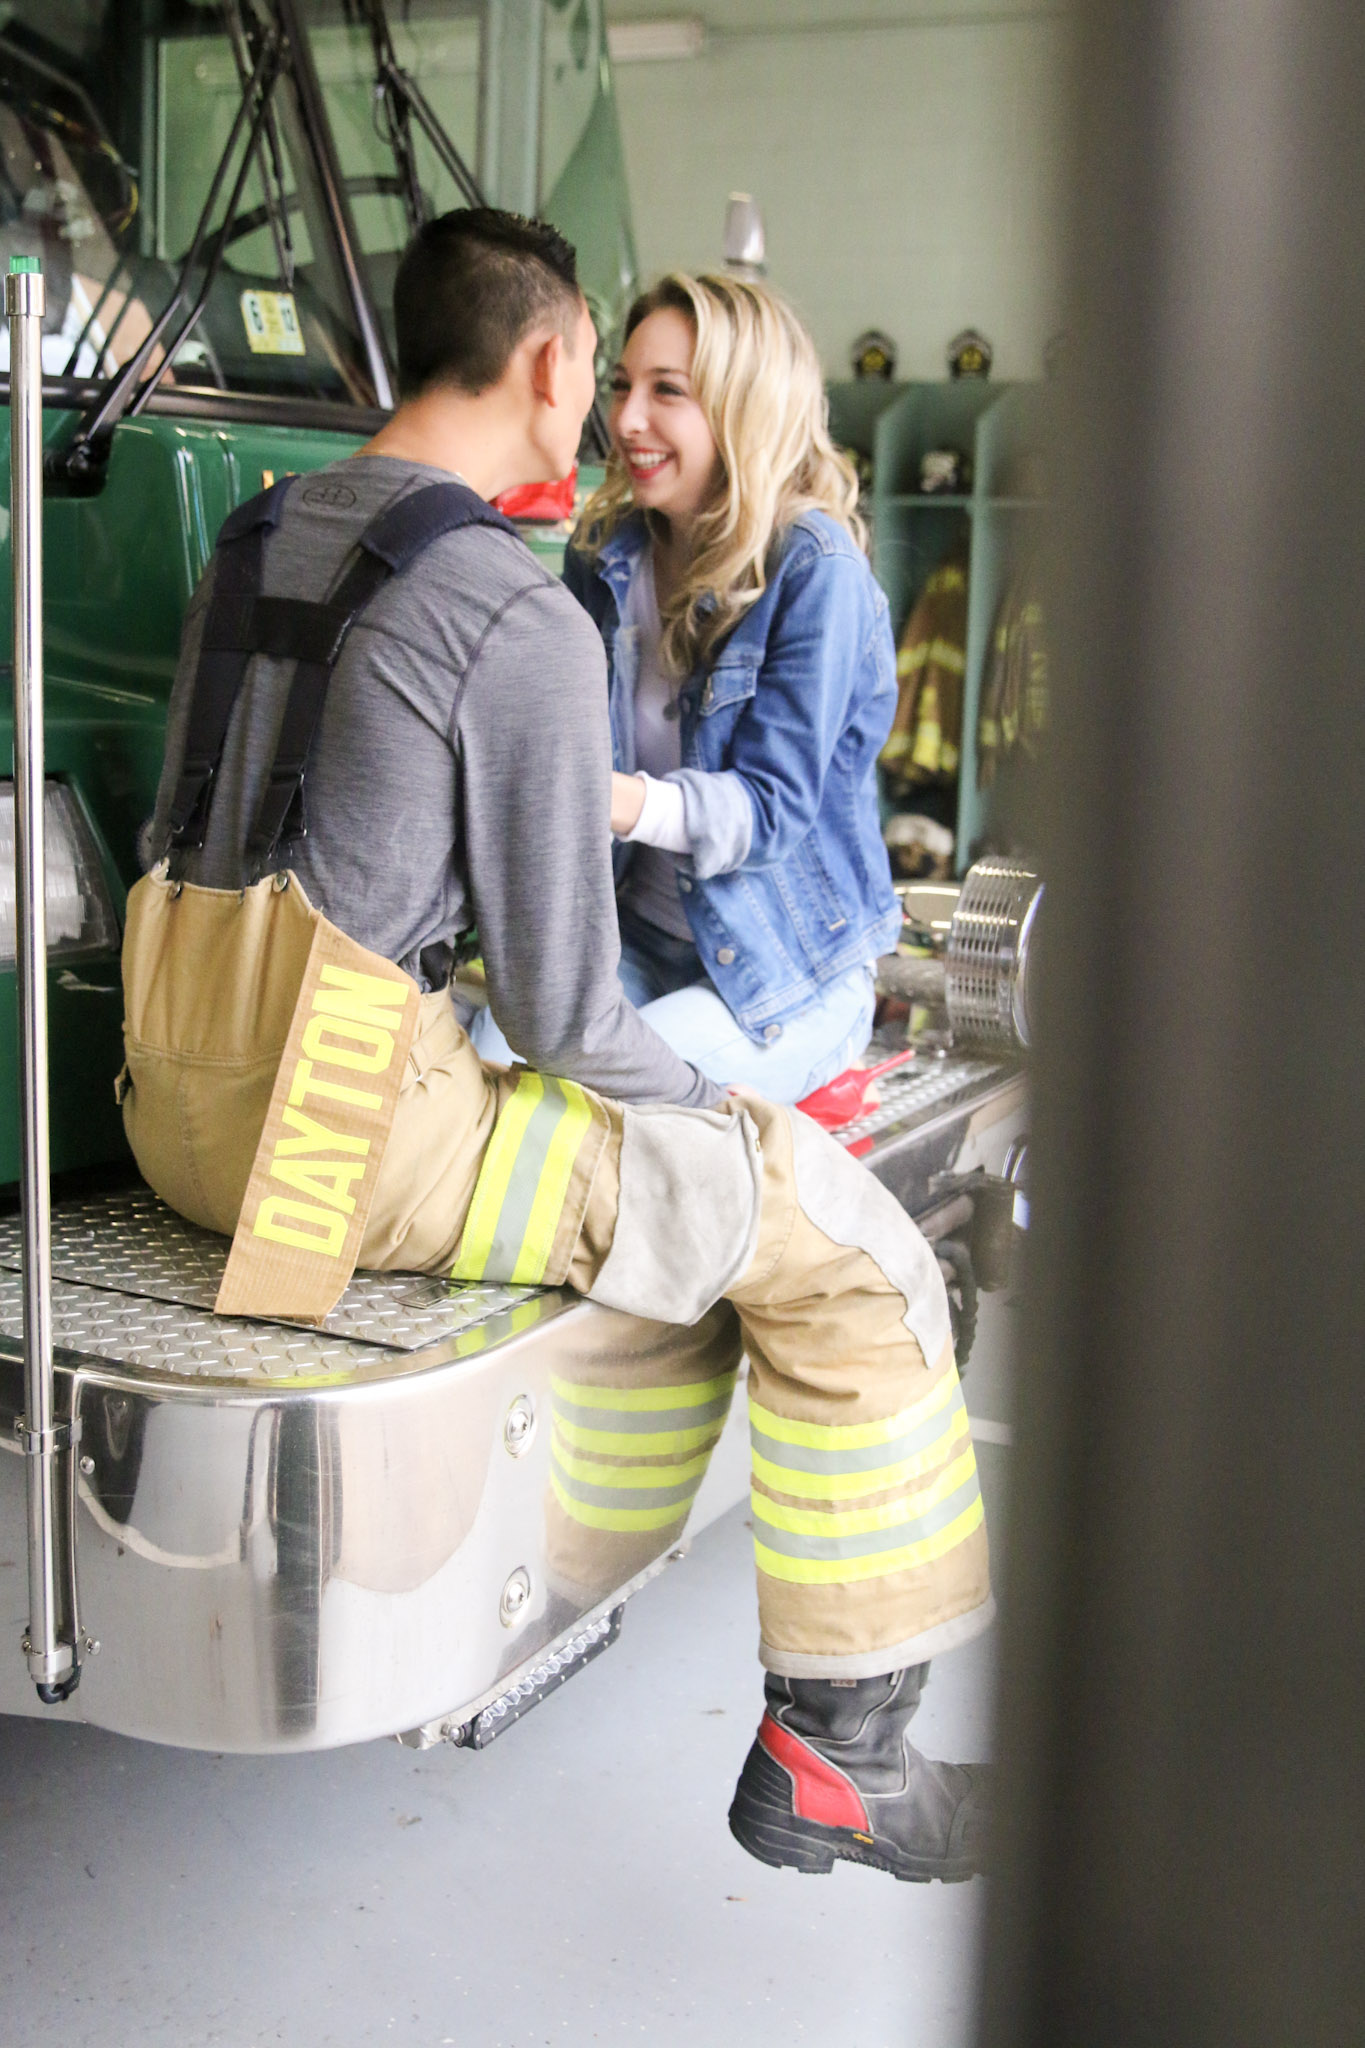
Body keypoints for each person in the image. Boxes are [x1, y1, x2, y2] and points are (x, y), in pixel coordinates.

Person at [120, 207, 993, 1883]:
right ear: (542, 362)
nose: (608, 413)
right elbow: (576, 1016)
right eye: (603, 369)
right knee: (852, 1258)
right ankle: (843, 1752)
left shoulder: (252, 536)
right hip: (334, 1149)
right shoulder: (510, 610)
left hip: (170, 1099)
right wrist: (748, 1146)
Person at [475, 272, 901, 1105]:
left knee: (582, 1106)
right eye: (621, 386)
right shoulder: (604, 553)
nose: (626, 419)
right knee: (482, 1080)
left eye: (667, 392)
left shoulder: (815, 571)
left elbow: (769, 811)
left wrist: (606, 797)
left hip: (782, 972)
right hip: (631, 940)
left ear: (743, 407)